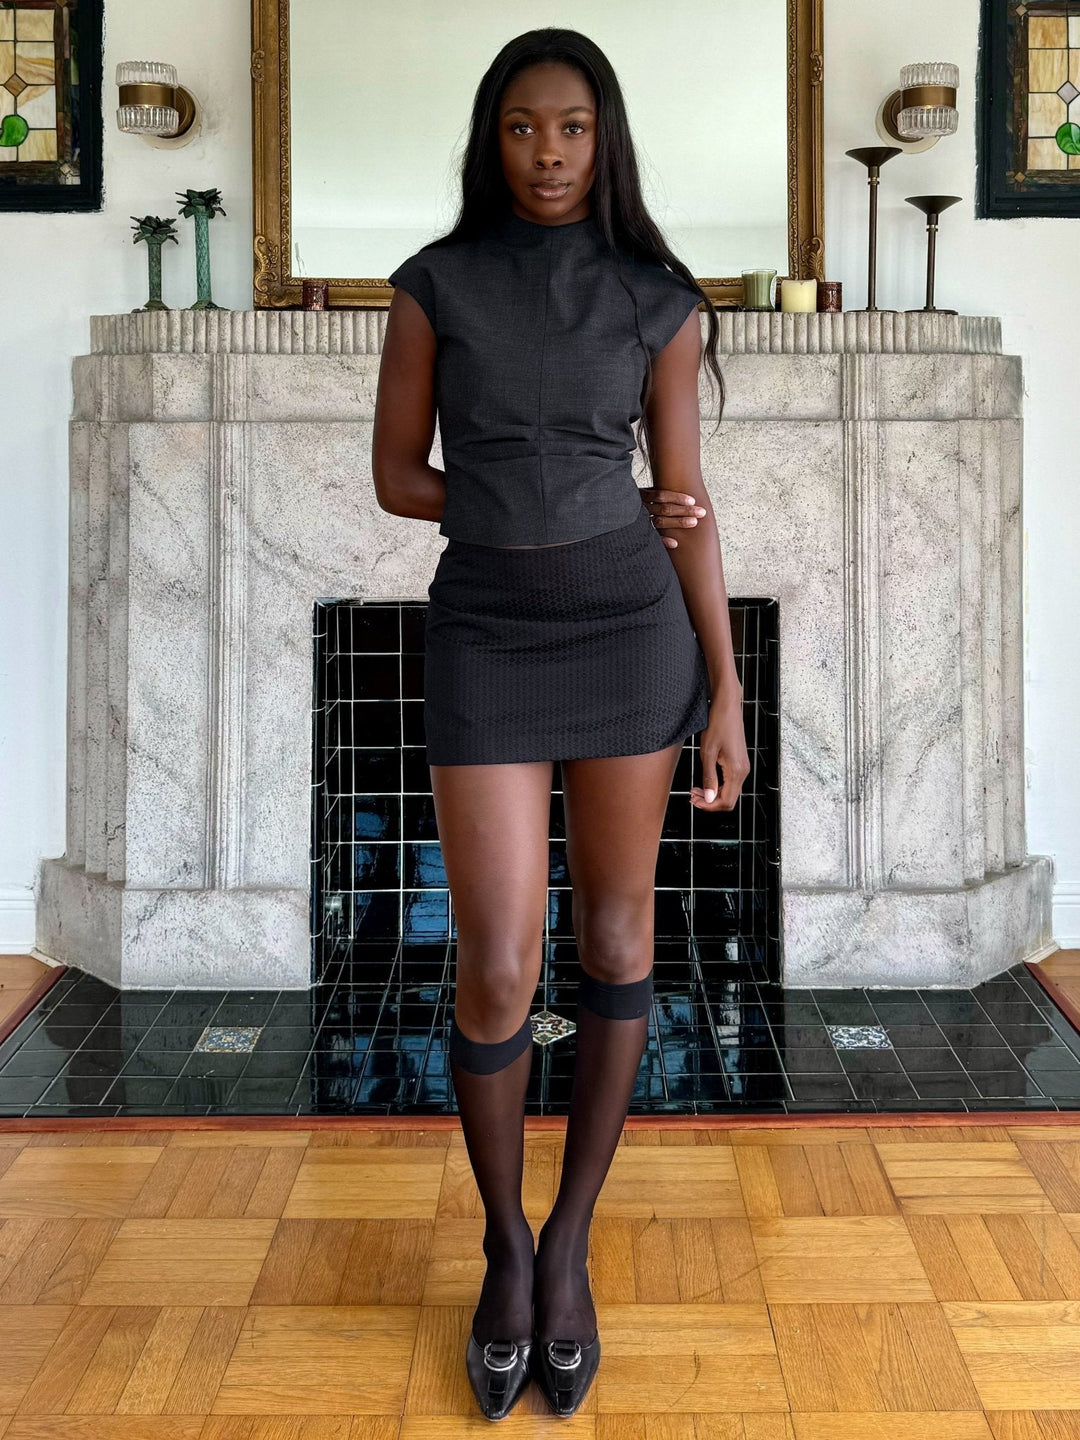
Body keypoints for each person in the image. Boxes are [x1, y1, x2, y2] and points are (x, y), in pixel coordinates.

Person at [372, 27, 750, 1421]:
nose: (548, 153)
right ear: (494, 137)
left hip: (627, 636)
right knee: (494, 966)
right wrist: (527, 505)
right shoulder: (434, 287)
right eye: (526, 128)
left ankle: (570, 1244)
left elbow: (690, 505)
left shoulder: (658, 299)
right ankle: (502, 1240)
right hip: (485, 634)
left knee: (618, 943)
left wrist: (726, 687)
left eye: (573, 129)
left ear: (606, 140)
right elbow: (398, 477)